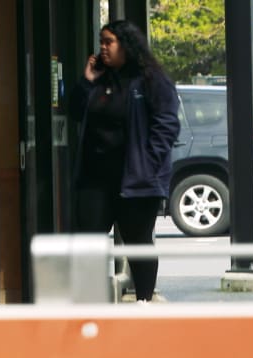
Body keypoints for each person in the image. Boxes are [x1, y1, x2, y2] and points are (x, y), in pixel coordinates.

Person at [69, 19, 180, 302]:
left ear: (126, 46)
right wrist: (86, 81)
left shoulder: (151, 81)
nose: (102, 48)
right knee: (88, 241)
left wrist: (149, 164)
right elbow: (74, 112)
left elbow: (166, 125)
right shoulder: (100, 80)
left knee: (138, 243)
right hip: (96, 179)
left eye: (109, 42)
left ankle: (144, 299)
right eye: (101, 41)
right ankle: (88, 302)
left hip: (135, 179)